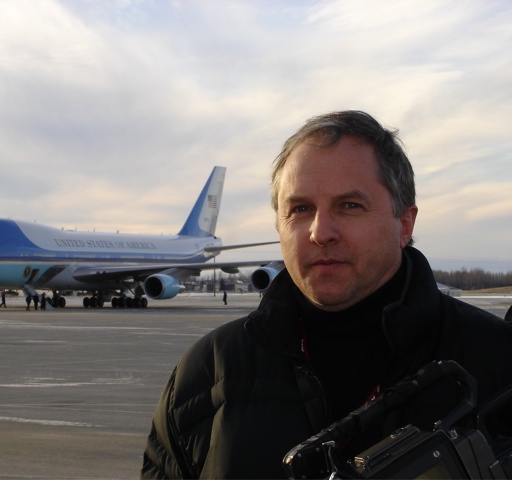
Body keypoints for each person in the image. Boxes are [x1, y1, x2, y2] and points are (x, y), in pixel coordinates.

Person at [140, 110, 512, 479]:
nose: (321, 232)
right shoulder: (205, 374)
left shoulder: (497, 362)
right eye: (300, 209)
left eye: (349, 206)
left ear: (404, 224)